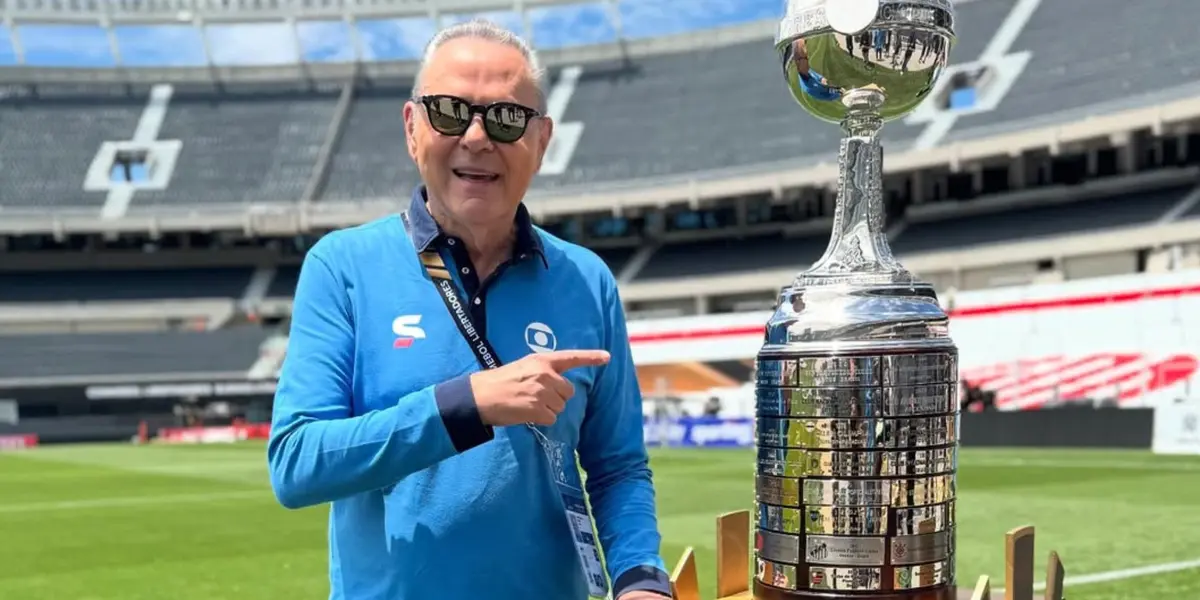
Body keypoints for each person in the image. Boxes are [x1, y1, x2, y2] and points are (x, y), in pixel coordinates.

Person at [266, 19, 671, 600]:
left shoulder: (588, 281)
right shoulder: (342, 266)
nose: (477, 137)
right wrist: (466, 406)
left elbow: (619, 468)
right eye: (450, 111)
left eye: (507, 119)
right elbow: (297, 463)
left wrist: (640, 577)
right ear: (412, 128)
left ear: (542, 141)